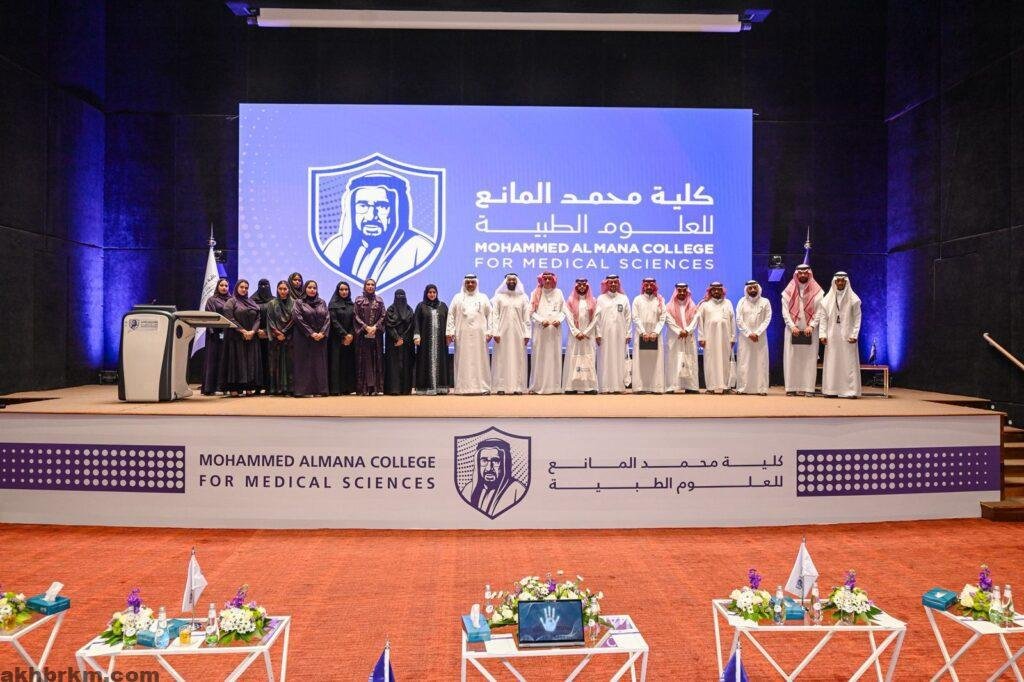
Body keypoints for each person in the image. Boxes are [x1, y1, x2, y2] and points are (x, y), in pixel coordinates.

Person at [320, 173, 437, 288]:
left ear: (396, 210)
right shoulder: (334, 248)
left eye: (382, 206)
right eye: (363, 205)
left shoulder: (420, 249)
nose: (371, 216)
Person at [780, 264, 823, 396]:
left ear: (809, 274)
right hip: (792, 329)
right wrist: (792, 326)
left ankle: (808, 388)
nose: (803, 275)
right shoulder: (788, 291)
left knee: (809, 359)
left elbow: (819, 311)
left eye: (805, 273)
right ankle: (791, 388)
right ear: (796, 274)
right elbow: (785, 312)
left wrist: (812, 325)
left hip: (810, 330)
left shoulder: (818, 291)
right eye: (800, 273)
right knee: (792, 359)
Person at [445, 274, 492, 395]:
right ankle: (462, 388)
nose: (470, 284)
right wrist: (450, 332)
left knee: (480, 361)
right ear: (464, 283)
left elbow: (490, 315)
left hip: (480, 336)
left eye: (472, 282)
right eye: (468, 282)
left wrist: (490, 331)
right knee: (463, 360)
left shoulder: (483, 297)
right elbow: (451, 315)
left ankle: (482, 387)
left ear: (476, 283)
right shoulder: (457, 298)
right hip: (462, 335)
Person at [459, 437, 527, 519]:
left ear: (505, 464)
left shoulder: (517, 491)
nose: (488, 468)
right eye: (484, 460)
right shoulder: (468, 490)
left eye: (495, 461)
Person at [820, 272, 862, 398]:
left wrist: (855, 334)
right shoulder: (827, 300)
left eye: (842, 281)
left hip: (848, 336)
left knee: (848, 363)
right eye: (838, 281)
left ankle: (850, 391)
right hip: (832, 335)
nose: (840, 283)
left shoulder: (854, 299)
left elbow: (857, 318)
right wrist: (822, 334)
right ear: (834, 282)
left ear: (846, 282)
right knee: (832, 362)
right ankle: (831, 390)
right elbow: (823, 318)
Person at [219, 279, 263, 396]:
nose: (244, 290)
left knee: (249, 362)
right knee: (236, 362)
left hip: (251, 338)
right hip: (235, 337)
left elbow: (258, 318)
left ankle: (248, 387)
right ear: (237, 288)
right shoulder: (231, 302)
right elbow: (229, 318)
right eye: (242, 287)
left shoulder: (252, 302)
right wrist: (243, 331)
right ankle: (234, 388)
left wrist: (252, 331)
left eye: (246, 288)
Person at [489, 273, 530, 395]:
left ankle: (518, 387)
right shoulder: (499, 297)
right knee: (501, 359)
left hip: (519, 333)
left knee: (518, 359)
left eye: (514, 280)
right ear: (505, 282)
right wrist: (495, 332)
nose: (511, 282)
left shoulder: (523, 297)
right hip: (501, 333)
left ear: (517, 282)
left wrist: (527, 334)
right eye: (509, 280)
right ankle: (500, 387)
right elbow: (495, 316)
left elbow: (526, 318)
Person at [528, 272, 565, 394]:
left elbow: (563, 311)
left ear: (553, 280)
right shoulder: (535, 293)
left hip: (554, 331)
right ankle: (537, 387)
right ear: (541, 280)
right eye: (545, 279)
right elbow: (531, 312)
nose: (548, 281)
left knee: (554, 357)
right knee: (540, 358)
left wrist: (559, 320)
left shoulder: (559, 293)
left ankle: (554, 387)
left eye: (550, 279)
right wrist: (540, 320)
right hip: (540, 331)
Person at [291, 280, 330, 396]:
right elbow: (297, 318)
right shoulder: (299, 302)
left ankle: (320, 390)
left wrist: (322, 333)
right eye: (309, 287)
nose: (312, 290)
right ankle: (304, 391)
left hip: (320, 339)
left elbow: (327, 318)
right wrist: (311, 333)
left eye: (314, 288)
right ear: (305, 289)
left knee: (319, 364)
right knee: (304, 364)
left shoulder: (322, 302)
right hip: (303, 338)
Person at [594, 275, 632, 393]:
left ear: (618, 284)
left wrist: (628, 333)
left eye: (615, 282)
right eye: (611, 282)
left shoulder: (624, 298)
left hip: (620, 334)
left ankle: (618, 387)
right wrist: (598, 334)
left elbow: (628, 317)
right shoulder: (600, 298)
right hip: (604, 335)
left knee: (619, 359)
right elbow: (597, 318)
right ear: (607, 284)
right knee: (605, 359)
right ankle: (604, 387)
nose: (613, 284)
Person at [696, 281, 735, 394]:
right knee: (710, 362)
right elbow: (700, 322)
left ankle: (726, 387)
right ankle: (711, 387)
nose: (716, 291)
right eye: (714, 289)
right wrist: (701, 337)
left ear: (722, 291)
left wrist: (733, 338)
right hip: (709, 338)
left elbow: (732, 321)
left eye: (719, 289)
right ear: (710, 291)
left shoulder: (728, 303)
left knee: (725, 362)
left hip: (725, 338)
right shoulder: (704, 304)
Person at [735, 280, 772, 395]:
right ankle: (743, 388)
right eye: (750, 288)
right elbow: (739, 319)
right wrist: (748, 333)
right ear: (746, 290)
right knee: (744, 362)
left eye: (754, 288)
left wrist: (757, 333)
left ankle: (761, 389)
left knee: (761, 362)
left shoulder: (765, 302)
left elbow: (767, 318)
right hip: (745, 338)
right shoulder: (741, 302)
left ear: (758, 288)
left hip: (760, 338)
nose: (752, 290)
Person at [413, 284, 450, 395]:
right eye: (430, 292)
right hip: (425, 342)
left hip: (441, 341)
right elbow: (416, 321)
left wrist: (449, 335)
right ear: (426, 293)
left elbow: (449, 322)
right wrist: (416, 335)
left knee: (441, 362)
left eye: (434, 292)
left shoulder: (443, 306)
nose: (432, 294)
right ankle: (425, 388)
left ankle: (440, 387)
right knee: (424, 362)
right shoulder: (421, 306)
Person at [631, 277, 667, 393]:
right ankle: (640, 387)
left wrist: (655, 332)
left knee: (655, 362)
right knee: (641, 362)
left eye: (651, 285)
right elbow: (635, 317)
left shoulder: (660, 300)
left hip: (655, 335)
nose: (649, 287)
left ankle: (656, 387)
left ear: (655, 286)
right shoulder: (637, 299)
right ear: (643, 286)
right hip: (641, 334)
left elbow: (663, 317)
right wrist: (643, 332)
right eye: (647, 285)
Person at [563, 278, 599, 393]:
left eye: (584, 285)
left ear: (587, 286)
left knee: (589, 359)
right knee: (573, 359)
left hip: (588, 336)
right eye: (580, 285)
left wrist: (586, 332)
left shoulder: (593, 300)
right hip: (575, 337)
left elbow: (596, 318)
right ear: (576, 287)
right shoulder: (570, 300)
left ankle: (589, 387)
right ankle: (572, 387)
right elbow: (568, 318)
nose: (582, 287)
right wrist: (576, 332)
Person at [664, 283, 700, 394]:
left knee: (690, 360)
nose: (682, 293)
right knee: (673, 361)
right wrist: (680, 331)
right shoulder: (668, 306)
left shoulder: (693, 306)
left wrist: (687, 330)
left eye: (684, 291)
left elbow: (695, 319)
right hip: (675, 338)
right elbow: (668, 320)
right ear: (676, 292)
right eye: (679, 291)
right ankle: (672, 386)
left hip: (688, 337)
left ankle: (691, 386)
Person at [354, 278, 387, 395]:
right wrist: (365, 327)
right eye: (368, 284)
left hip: (376, 336)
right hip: (362, 336)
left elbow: (383, 316)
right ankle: (364, 389)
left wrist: (375, 327)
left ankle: (376, 388)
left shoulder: (379, 300)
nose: (370, 286)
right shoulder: (358, 300)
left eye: (372, 284)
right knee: (363, 360)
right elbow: (355, 316)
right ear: (364, 286)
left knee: (376, 359)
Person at [201, 277, 230, 395]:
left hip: (228, 334)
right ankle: (210, 388)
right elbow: (209, 317)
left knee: (225, 361)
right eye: (221, 285)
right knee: (213, 361)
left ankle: (223, 387)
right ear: (217, 286)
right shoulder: (211, 300)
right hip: (214, 335)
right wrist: (214, 332)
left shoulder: (231, 300)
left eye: (226, 286)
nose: (224, 288)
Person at [327, 281, 357, 395]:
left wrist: (351, 335)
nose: (344, 292)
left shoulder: (352, 305)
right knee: (336, 363)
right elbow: (333, 321)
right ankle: (336, 389)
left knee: (347, 363)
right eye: (341, 290)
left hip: (350, 339)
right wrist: (344, 335)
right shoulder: (332, 304)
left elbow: (355, 321)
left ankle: (347, 388)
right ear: (337, 291)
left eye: (346, 290)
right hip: (336, 338)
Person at [265, 280, 294, 395]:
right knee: (275, 363)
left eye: (285, 289)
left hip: (290, 338)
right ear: (277, 289)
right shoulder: (272, 303)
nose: (283, 291)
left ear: (288, 290)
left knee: (289, 364)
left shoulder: (295, 303)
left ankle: (290, 389)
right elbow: (270, 320)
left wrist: (284, 333)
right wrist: (278, 333)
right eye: (280, 289)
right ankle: (276, 389)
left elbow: (294, 320)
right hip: (276, 339)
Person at [384, 289, 415, 395]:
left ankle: (405, 389)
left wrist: (403, 339)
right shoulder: (390, 309)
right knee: (393, 366)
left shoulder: (409, 310)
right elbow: (389, 325)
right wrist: (397, 338)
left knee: (406, 365)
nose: (400, 297)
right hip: (393, 343)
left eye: (402, 295)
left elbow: (411, 326)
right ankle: (394, 389)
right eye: (398, 295)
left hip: (407, 343)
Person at [251, 278, 274, 393]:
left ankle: (269, 386)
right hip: (255, 336)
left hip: (270, 335)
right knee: (257, 362)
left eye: (266, 285)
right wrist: (256, 331)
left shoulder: (274, 301)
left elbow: (276, 318)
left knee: (269, 361)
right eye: (261, 285)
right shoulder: (251, 301)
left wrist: (266, 331)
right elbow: (249, 317)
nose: (264, 287)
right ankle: (257, 387)